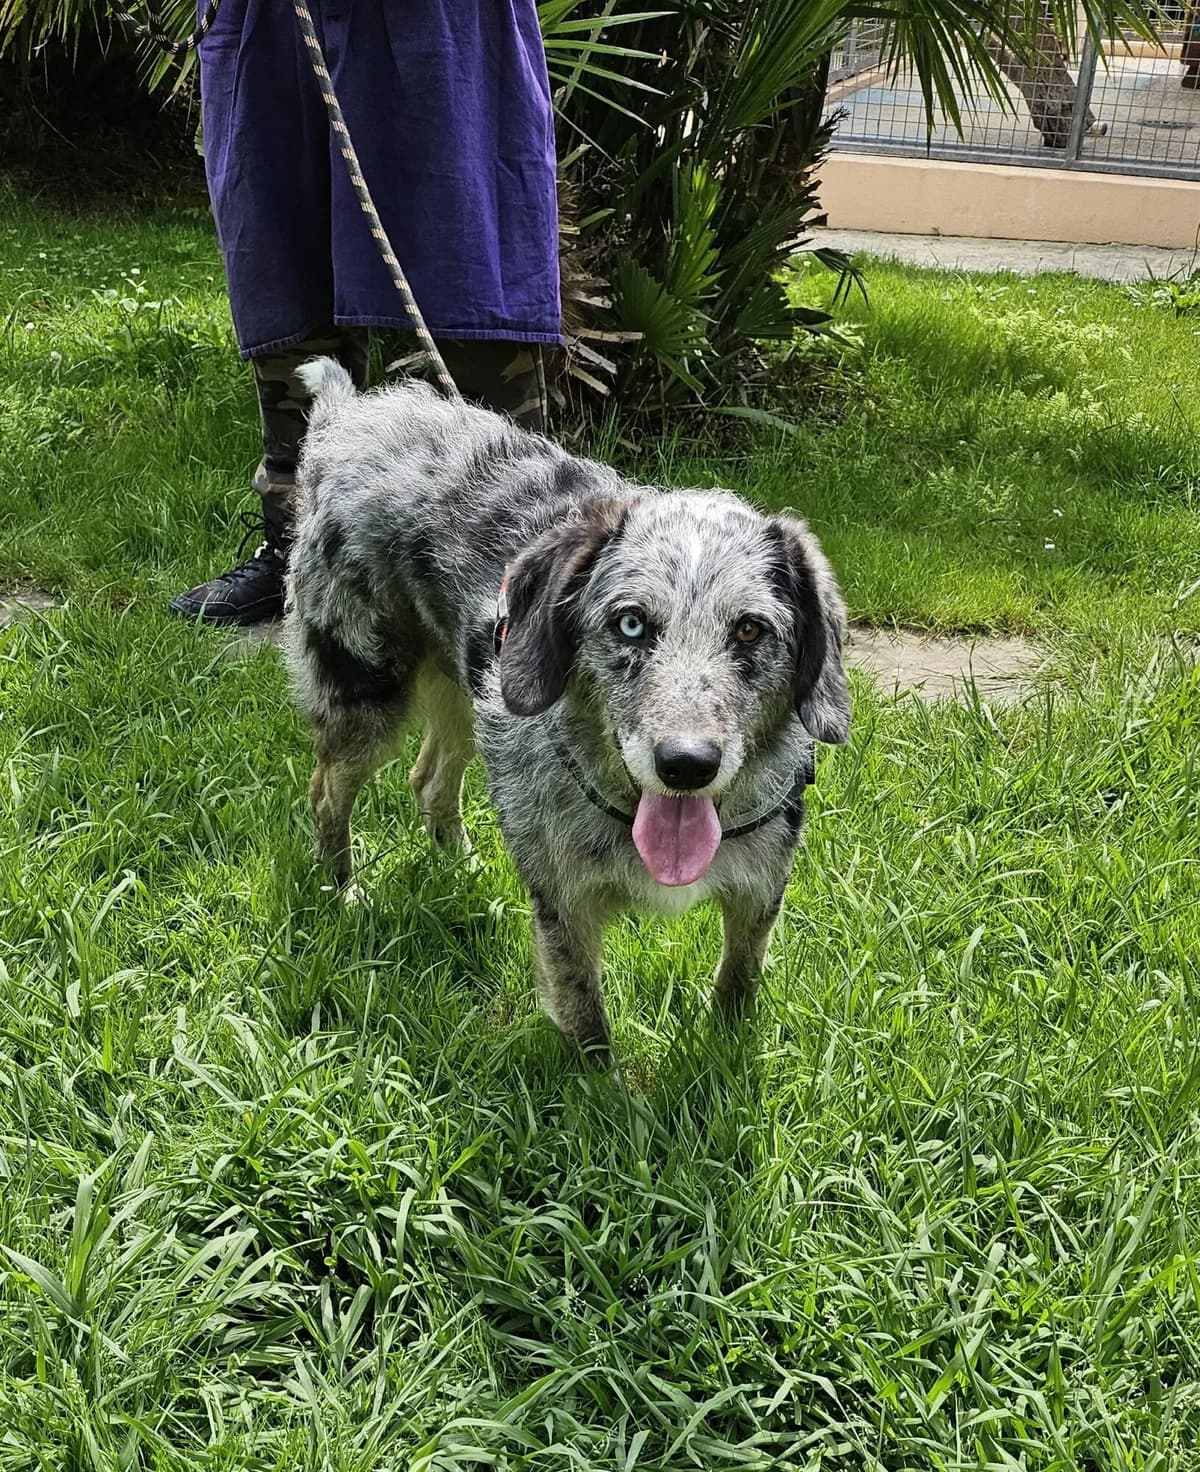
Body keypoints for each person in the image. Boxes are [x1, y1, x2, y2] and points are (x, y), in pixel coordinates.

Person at [171, 0, 562, 626]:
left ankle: (525, 568)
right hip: (274, 23)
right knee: (285, 262)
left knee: (468, 265)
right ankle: (298, 549)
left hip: (443, 23)